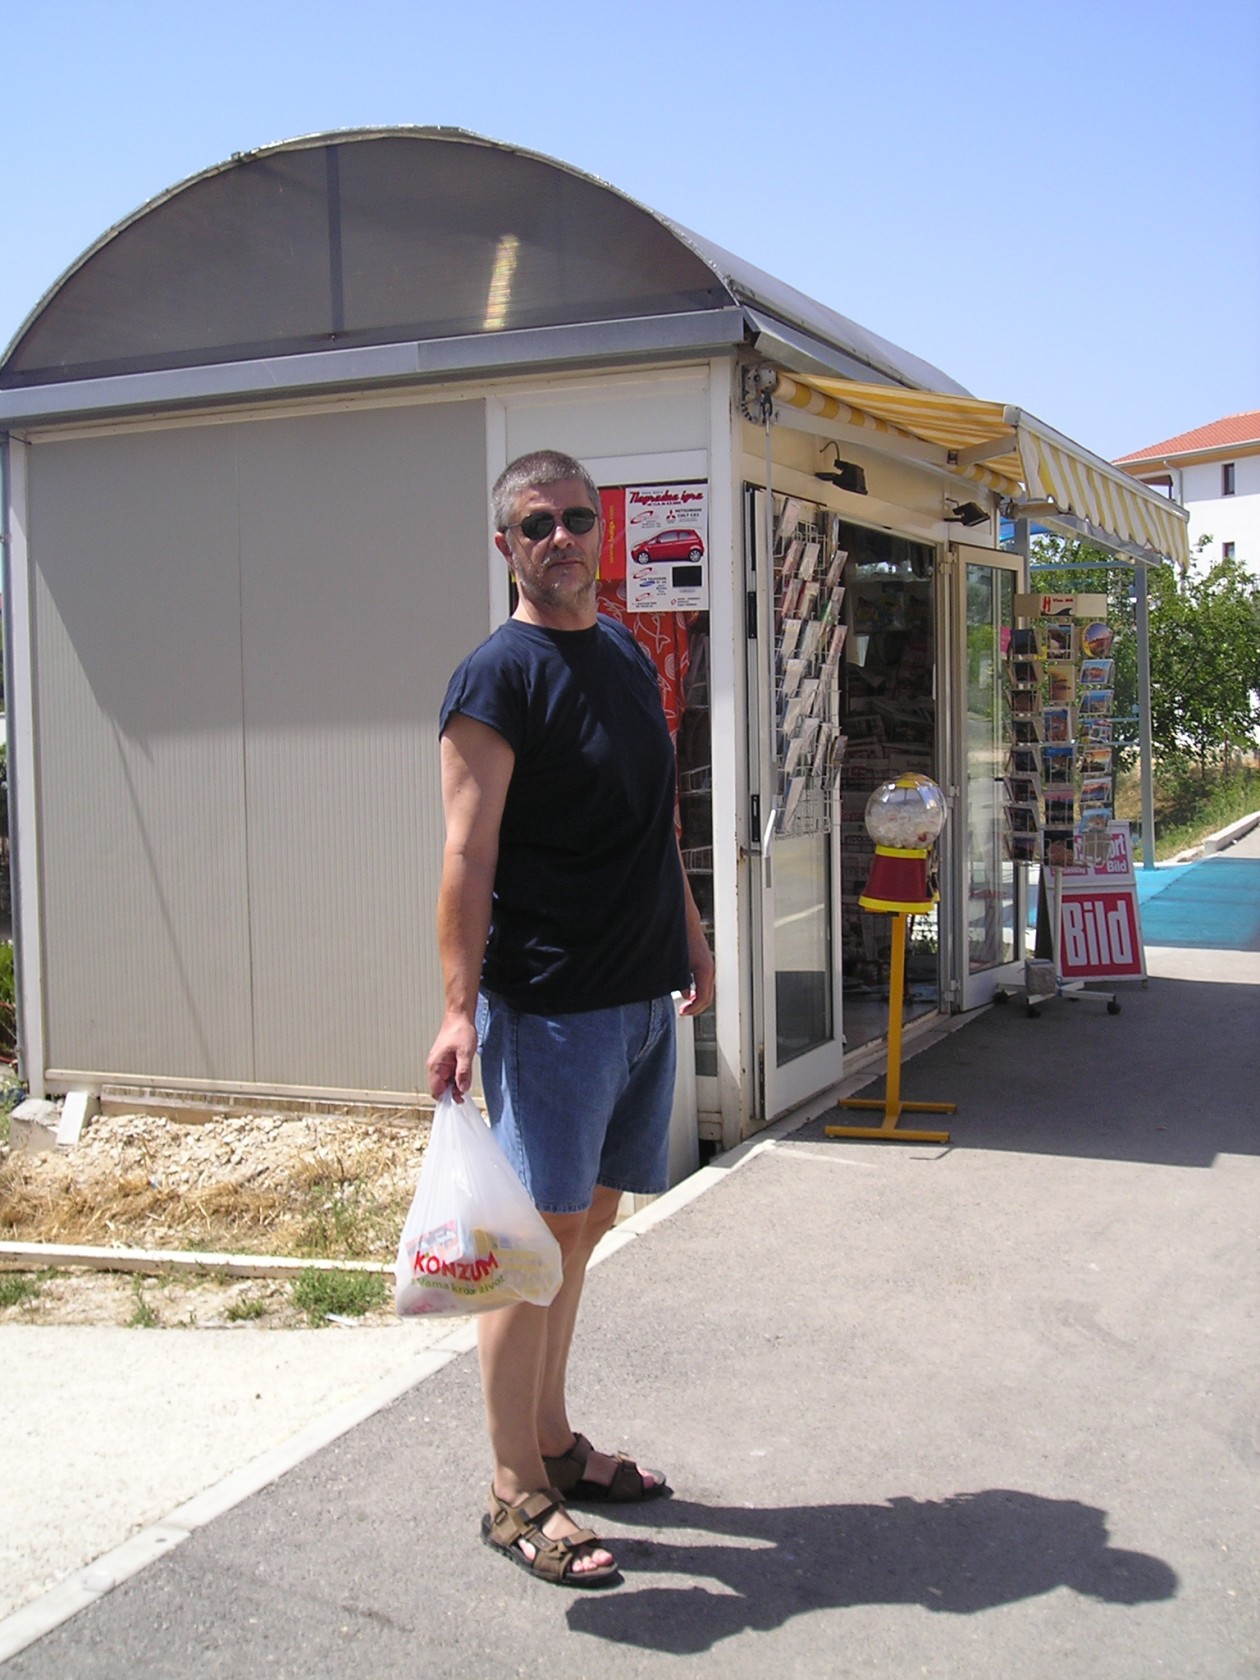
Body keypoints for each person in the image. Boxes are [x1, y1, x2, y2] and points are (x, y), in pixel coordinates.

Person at [425, 449, 714, 1589]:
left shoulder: (628, 654)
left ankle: (551, 1441)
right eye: (536, 524)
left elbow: (656, 822)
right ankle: (512, 1492)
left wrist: (692, 937)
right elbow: (467, 856)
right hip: (550, 1012)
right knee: (526, 1251)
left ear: (603, 532)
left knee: (583, 1229)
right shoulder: (495, 678)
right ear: (506, 545)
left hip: (639, 997)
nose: (562, 539)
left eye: (578, 519)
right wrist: (458, 1011)